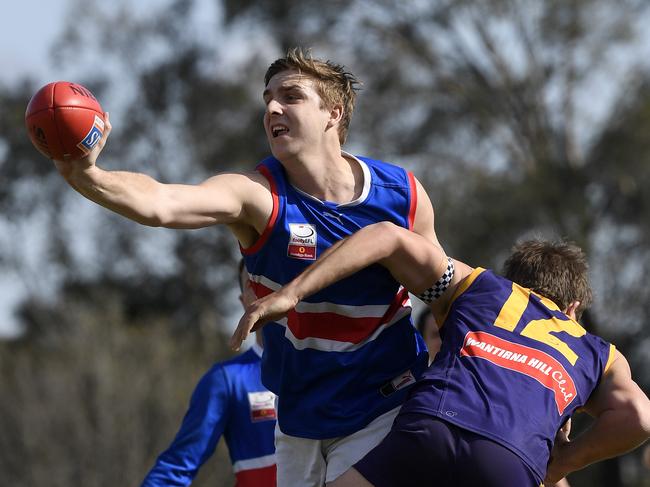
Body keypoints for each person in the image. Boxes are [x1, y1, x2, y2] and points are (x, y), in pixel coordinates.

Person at [54, 48, 436, 485]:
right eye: (267, 98)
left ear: (334, 112)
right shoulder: (258, 196)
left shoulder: (401, 195)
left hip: (385, 407)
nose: (272, 107)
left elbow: (444, 296)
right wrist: (90, 176)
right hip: (297, 424)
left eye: (290, 96)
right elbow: (163, 203)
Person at [231, 222, 650, 487]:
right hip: (510, 461)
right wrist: (562, 464)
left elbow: (389, 237)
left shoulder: (483, 288)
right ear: (574, 309)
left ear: (514, 284)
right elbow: (640, 418)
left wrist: (292, 293)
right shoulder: (598, 353)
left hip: (431, 428)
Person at [141, 261, 276, 487]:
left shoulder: (326, 366)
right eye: (252, 282)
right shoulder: (227, 380)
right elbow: (177, 467)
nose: (262, 289)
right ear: (243, 302)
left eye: (270, 278)